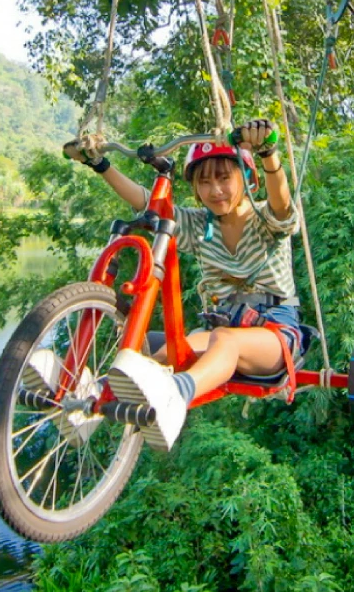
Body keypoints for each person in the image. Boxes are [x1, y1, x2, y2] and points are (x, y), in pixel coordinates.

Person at [64, 119, 302, 452]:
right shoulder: (198, 224)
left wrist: (268, 154)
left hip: (275, 331)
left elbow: (283, 203)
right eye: (204, 182)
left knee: (226, 341)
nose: (215, 190)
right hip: (224, 321)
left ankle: (177, 395)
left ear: (248, 179)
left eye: (224, 178)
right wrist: (99, 164)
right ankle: (87, 395)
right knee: (162, 356)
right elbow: (147, 203)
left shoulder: (268, 219)